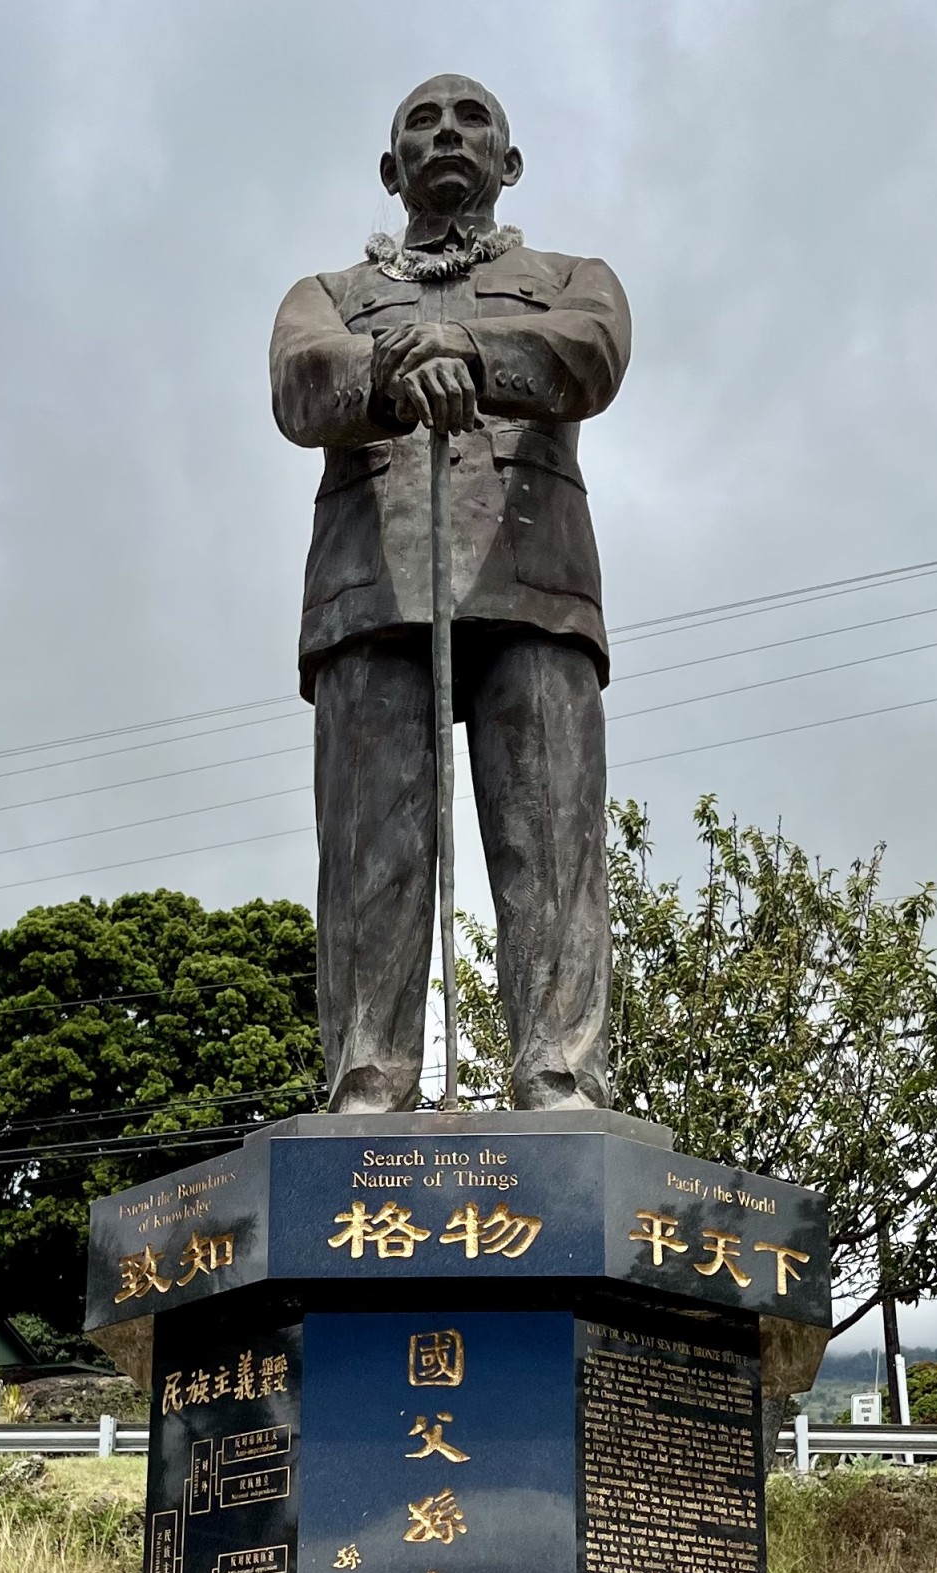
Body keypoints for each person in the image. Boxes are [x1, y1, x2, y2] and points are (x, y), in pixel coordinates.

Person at [270, 73, 631, 1112]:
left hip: (533, 578)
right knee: (368, 855)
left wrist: (467, 349)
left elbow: (591, 354)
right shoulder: (328, 297)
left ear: (507, 163)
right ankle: (367, 1084)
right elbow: (301, 378)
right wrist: (393, 370)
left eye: (469, 119)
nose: (444, 134)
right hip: (367, 592)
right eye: (419, 123)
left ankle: (559, 1072)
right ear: (390, 171)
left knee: (552, 845)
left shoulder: (571, 276)